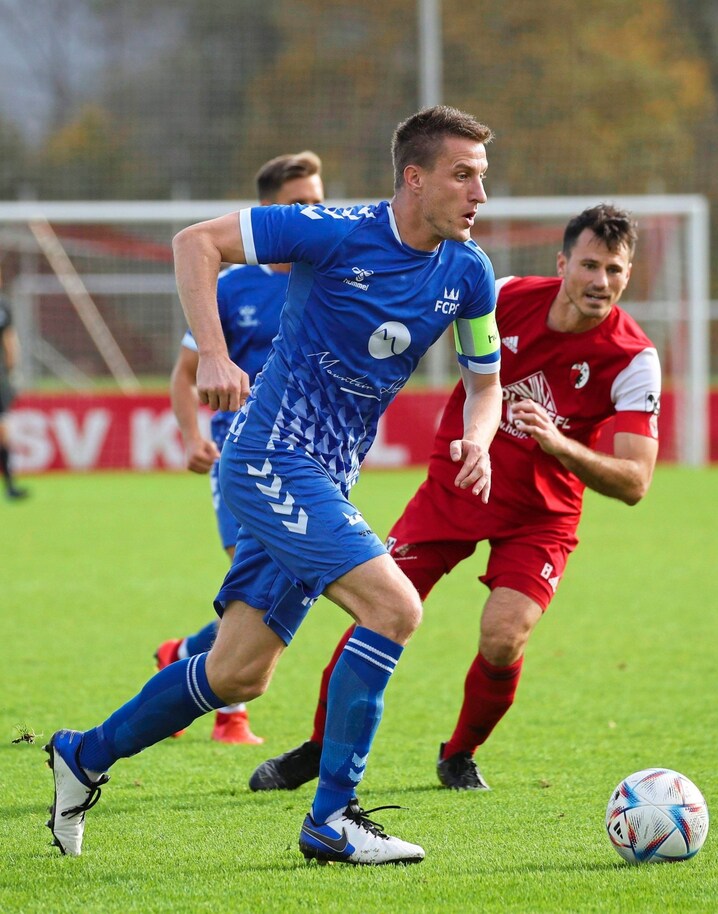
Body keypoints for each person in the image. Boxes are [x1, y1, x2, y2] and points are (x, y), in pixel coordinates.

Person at [44, 105, 502, 865]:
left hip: (329, 476)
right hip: (269, 457)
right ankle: (334, 816)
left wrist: (478, 442)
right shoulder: (333, 229)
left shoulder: (469, 271)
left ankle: (81, 756)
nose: (479, 194)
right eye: (463, 175)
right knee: (394, 607)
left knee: (237, 672)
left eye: (482, 177)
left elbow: (485, 383)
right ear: (414, 180)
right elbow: (197, 243)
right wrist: (217, 357)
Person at [248, 203, 661, 793]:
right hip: (456, 485)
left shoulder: (633, 358)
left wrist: (558, 442)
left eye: (615, 271)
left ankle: (460, 754)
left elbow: (635, 481)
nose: (601, 282)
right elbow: (427, 324)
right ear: (563, 261)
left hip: (540, 516)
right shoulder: (504, 293)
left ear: (627, 274)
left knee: (503, 636)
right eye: (590, 265)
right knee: (378, 607)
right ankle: (319, 748)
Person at [160, 151, 325, 745]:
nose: (310, 213)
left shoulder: (331, 274)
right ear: (265, 212)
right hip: (240, 454)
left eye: (316, 201)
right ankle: (231, 714)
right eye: (296, 205)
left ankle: (181, 655)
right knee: (248, 580)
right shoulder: (232, 283)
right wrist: (190, 435)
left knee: (279, 582)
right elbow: (184, 373)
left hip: (307, 460)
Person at [0, 267, 28, 501]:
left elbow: (10, 345)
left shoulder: (3, 306)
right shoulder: (3, 306)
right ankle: (9, 485)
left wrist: (10, 372)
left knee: (2, 430)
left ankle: (9, 485)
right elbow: (10, 344)